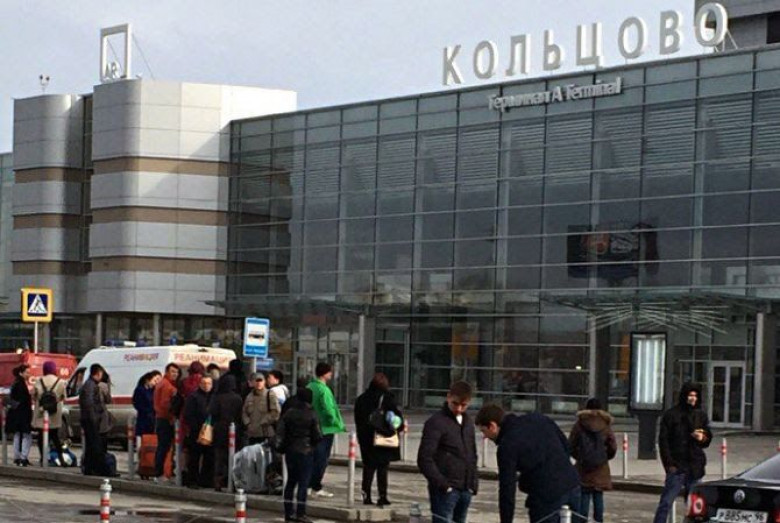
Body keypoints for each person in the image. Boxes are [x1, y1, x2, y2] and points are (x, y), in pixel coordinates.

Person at [475, 403, 580, 523]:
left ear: (492, 426)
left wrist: (506, 520)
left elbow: (507, 489)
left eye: (484, 431)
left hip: (545, 497)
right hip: (572, 484)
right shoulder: (538, 418)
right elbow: (566, 446)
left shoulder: (507, 445)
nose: (485, 436)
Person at [417, 381, 478, 523]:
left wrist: (472, 484)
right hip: (445, 490)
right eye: (455, 404)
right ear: (448, 397)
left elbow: (472, 454)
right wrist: (443, 485)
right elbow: (424, 458)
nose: (459, 408)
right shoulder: (436, 422)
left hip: (464, 488)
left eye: (463, 405)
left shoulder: (468, 423)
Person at [653, 383, 712, 523]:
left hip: (695, 466)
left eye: (695, 396)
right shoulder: (671, 415)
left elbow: (707, 437)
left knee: (695, 505)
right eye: (690, 395)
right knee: (666, 502)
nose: (693, 398)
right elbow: (664, 442)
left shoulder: (700, 415)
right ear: (684, 396)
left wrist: (702, 437)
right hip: (677, 465)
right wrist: (669, 464)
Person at [354, 372, 403, 507]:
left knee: (368, 468)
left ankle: (366, 496)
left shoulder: (361, 399)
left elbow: (358, 420)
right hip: (383, 437)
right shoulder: (387, 398)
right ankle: (382, 496)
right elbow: (396, 419)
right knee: (382, 468)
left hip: (366, 438)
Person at [276, 385, 322, 523]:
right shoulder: (312, 414)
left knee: (290, 482)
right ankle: (300, 513)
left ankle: (288, 513)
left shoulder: (289, 413)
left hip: (291, 450)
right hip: (306, 451)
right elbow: (317, 435)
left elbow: (281, 431)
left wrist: (282, 447)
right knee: (303, 483)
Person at [569, 398, 617, 523]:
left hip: (584, 466)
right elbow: (612, 446)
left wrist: (580, 457)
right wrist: (605, 457)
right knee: (598, 495)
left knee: (584, 494)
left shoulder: (580, 423)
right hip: (601, 466)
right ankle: (598, 520)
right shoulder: (605, 424)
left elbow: (571, 445)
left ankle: (582, 520)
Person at [307, 362, 346, 498]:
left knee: (311, 458)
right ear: (325, 373)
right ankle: (315, 486)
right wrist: (336, 423)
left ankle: (307, 485)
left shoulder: (310, 386)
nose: (331, 374)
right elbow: (329, 409)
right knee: (321, 459)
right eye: (330, 372)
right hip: (325, 428)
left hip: (311, 427)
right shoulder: (324, 390)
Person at [210, 374, 244, 490]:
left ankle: (218, 481)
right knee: (233, 456)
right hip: (235, 430)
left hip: (220, 430)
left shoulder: (217, 397)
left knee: (220, 457)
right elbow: (241, 415)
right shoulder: (238, 398)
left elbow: (212, 412)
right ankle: (232, 481)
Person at [32, 360, 67, 466]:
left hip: (42, 413)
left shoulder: (39, 381)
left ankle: (43, 458)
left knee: (41, 437)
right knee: (55, 437)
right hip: (54, 414)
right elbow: (63, 397)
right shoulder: (60, 382)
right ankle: (61, 459)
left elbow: (34, 396)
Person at [184, 375, 214, 488]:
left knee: (209, 457)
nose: (206, 386)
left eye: (209, 383)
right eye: (204, 383)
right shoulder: (193, 397)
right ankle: (192, 481)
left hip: (210, 432)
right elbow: (188, 414)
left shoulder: (214, 397)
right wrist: (196, 428)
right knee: (194, 457)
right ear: (200, 384)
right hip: (196, 432)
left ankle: (205, 480)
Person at [79, 364, 109, 475]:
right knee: (95, 445)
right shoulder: (90, 385)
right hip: (91, 420)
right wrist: (94, 419)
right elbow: (89, 403)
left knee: (91, 446)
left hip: (90, 419)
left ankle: (89, 468)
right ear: (98, 373)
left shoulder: (90, 384)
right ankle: (100, 469)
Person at [153, 363, 180, 481]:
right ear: (167, 372)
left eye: (176, 372)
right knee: (164, 447)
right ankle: (159, 473)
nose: (175, 374)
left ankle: (160, 472)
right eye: (173, 371)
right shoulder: (167, 386)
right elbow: (165, 404)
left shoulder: (162, 383)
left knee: (163, 447)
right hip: (165, 419)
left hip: (161, 418)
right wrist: (171, 417)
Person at [242, 372, 281, 445]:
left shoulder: (270, 394)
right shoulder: (249, 396)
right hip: (252, 434)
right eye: (257, 381)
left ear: (264, 382)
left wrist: (265, 421)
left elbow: (275, 412)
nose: (259, 383)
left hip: (266, 433)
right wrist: (247, 423)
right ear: (253, 382)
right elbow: (244, 412)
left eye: (261, 381)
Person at [7, 364, 33, 467]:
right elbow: (23, 400)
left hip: (16, 414)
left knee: (17, 435)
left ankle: (17, 457)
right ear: (21, 373)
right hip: (22, 414)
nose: (29, 374)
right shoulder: (20, 384)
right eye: (27, 372)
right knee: (27, 436)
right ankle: (23, 458)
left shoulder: (16, 382)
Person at [132, 371, 161, 437]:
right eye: (154, 380)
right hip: (144, 417)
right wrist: (146, 410)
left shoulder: (152, 390)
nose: (156, 383)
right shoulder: (140, 390)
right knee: (142, 435)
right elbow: (137, 403)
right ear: (147, 380)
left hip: (152, 416)